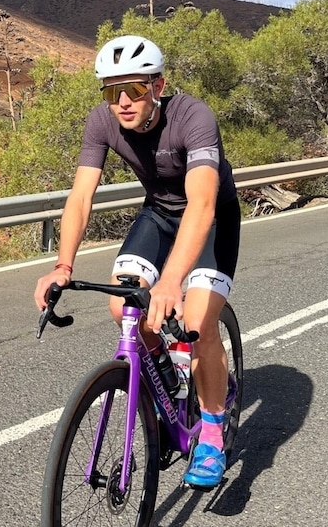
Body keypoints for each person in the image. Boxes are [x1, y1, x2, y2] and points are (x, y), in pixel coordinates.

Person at [34, 34, 241, 489]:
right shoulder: (101, 122)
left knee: (197, 322)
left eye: (134, 89)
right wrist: (63, 266)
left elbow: (202, 206)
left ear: (158, 85)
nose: (123, 102)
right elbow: (81, 197)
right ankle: (167, 374)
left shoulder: (194, 117)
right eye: (112, 91)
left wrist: (171, 282)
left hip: (210, 218)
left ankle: (209, 435)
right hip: (159, 213)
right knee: (122, 309)